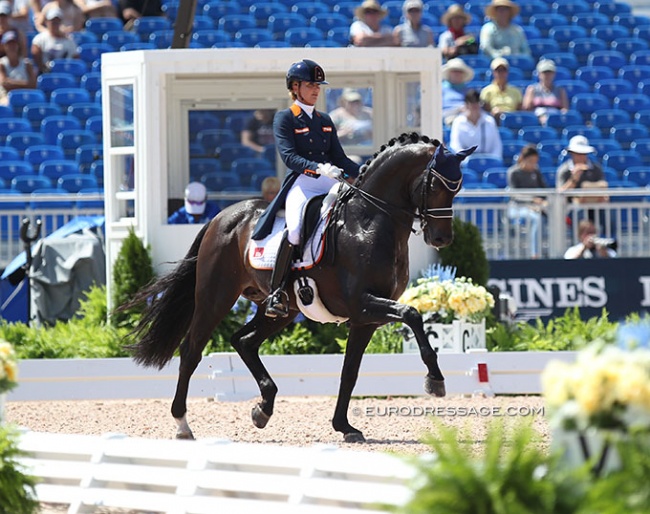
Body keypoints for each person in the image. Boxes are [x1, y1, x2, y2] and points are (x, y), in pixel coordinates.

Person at [251, 59, 361, 318]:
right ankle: (276, 292)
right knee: (297, 230)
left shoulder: (324, 119)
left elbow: (340, 157)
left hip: (330, 180)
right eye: (311, 85)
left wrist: (362, 170)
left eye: (318, 86)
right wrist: (320, 168)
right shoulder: (285, 118)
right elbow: (289, 157)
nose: (315, 90)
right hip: (304, 182)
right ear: (295, 87)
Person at [507, 144, 547, 259]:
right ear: (523, 159)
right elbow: (515, 195)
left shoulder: (536, 172)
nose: (533, 164)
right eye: (530, 161)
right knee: (536, 219)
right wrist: (532, 200)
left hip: (536, 207)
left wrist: (544, 201)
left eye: (535, 161)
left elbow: (544, 189)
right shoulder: (513, 172)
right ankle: (535, 253)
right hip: (518, 207)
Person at [449, 89, 502, 160]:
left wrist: (493, 160)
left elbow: (497, 146)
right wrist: (465, 160)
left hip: (488, 160)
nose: (474, 105)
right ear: (466, 104)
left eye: (477, 102)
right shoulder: (458, 122)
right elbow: (455, 145)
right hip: (465, 162)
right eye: (471, 102)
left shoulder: (489, 121)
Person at [30, 7, 79, 74]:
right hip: (47, 73)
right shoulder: (40, 39)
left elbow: (75, 58)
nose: (54, 24)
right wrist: (43, 68)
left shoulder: (69, 41)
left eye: (57, 21)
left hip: (65, 73)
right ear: (47, 22)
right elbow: (35, 53)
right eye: (52, 21)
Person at [522, 58, 569, 126]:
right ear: (539, 74)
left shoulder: (560, 90)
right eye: (544, 72)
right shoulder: (532, 89)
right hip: (537, 120)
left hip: (555, 120)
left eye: (549, 72)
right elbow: (526, 109)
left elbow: (565, 109)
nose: (547, 75)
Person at [0, 30, 37, 105]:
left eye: (14, 44)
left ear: (17, 45)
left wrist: (11, 83)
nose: (12, 47)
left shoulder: (27, 64)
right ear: (4, 46)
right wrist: (25, 84)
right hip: (7, 96)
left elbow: (33, 85)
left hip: (26, 96)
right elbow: (4, 83)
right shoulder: (1, 64)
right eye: (9, 44)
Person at [441, 57, 474, 126]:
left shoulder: (469, 91)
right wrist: (457, 110)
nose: (457, 74)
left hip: (466, 118)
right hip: (447, 118)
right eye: (454, 71)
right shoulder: (441, 89)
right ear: (449, 73)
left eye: (460, 71)